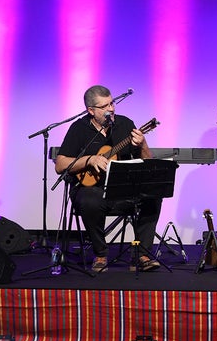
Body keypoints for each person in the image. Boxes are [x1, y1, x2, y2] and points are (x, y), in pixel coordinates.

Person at [55, 85, 162, 273]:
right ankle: (101, 253)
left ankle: (142, 254)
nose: (111, 109)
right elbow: (60, 164)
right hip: (91, 189)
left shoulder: (125, 124)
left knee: (153, 195)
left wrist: (143, 144)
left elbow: (147, 163)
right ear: (91, 110)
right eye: (104, 106)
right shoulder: (79, 128)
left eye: (112, 103)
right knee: (90, 199)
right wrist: (89, 159)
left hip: (122, 189)